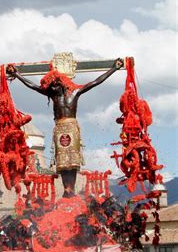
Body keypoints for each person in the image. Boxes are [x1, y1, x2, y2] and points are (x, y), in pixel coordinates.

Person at [7, 58, 124, 197]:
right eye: (51, 84)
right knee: (62, 160)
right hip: (59, 127)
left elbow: (96, 82)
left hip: (71, 126)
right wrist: (17, 75)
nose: (53, 86)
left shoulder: (75, 92)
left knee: (72, 159)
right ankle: (66, 189)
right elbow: (32, 86)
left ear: (62, 82)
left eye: (55, 83)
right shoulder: (52, 94)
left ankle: (71, 188)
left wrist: (113, 69)